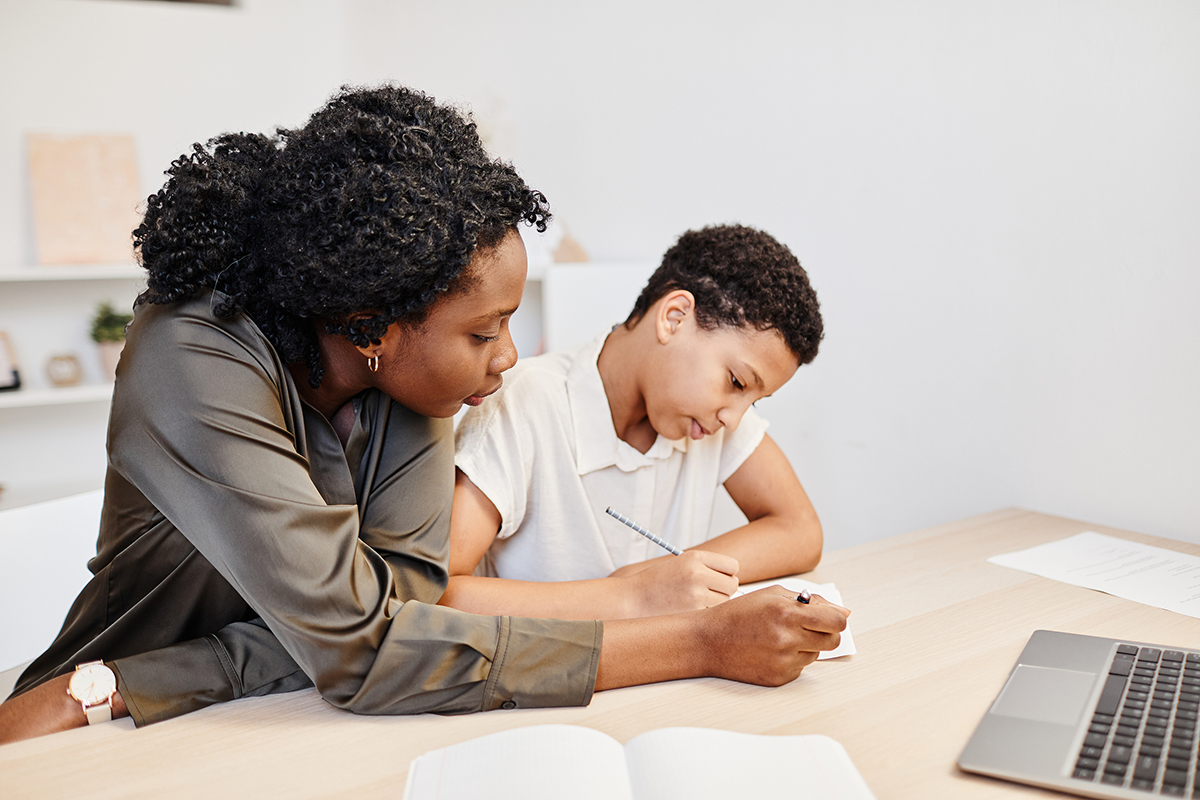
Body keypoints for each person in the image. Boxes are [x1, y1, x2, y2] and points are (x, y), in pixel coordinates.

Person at [0, 85, 848, 745]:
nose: (510, 358)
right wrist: (695, 644)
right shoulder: (194, 353)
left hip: (236, 704)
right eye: (485, 330)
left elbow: (402, 614)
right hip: (97, 722)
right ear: (374, 321)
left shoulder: (416, 386)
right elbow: (369, 651)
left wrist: (177, 675)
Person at [442, 225, 824, 620]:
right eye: (737, 383)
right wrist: (632, 595)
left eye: (754, 401)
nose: (734, 418)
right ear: (674, 318)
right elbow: (438, 592)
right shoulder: (524, 403)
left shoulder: (710, 419)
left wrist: (666, 573)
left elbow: (801, 530)